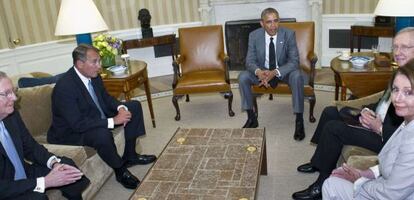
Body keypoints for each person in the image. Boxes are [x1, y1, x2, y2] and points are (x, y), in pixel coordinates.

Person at [292, 27, 414, 200]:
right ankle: (318, 162)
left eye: (405, 47)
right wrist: (366, 110)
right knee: (330, 111)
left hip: (384, 135)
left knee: (334, 128)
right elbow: (384, 100)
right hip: (376, 120)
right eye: (395, 47)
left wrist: (378, 127)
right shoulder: (400, 71)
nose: (398, 52)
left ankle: (320, 184)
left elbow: (403, 134)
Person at [47, 44, 156, 190]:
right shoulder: (64, 88)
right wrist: (112, 121)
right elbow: (78, 124)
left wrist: (120, 108)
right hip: (71, 132)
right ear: (80, 64)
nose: (99, 66)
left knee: (133, 106)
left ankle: (131, 156)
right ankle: (120, 170)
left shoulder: (93, 75)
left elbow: (105, 98)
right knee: (101, 134)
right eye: (95, 62)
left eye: (99, 61)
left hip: (94, 116)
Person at [322, 59, 414, 199]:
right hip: (383, 183)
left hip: (388, 194)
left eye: (408, 92)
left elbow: (390, 194)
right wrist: (364, 173)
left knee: (331, 185)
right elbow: (395, 164)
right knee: (331, 184)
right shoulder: (407, 121)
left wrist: (359, 181)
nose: (398, 98)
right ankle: (318, 165)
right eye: (396, 89)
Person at [0, 71, 89, 200]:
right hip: (6, 188)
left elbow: (30, 147)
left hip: (23, 173)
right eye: (7, 94)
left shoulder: (11, 116)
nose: (14, 97)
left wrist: (54, 163)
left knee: (66, 166)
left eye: (13, 91)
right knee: (37, 198)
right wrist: (45, 182)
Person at [238, 7, 306, 140]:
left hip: (283, 71)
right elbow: (249, 61)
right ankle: (251, 117)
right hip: (263, 71)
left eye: (276, 21)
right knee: (243, 77)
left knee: (297, 75)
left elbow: (294, 61)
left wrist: (275, 72)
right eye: (269, 22)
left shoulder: (288, 34)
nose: (273, 25)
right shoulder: (254, 36)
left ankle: (299, 120)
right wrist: (259, 72)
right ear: (262, 23)